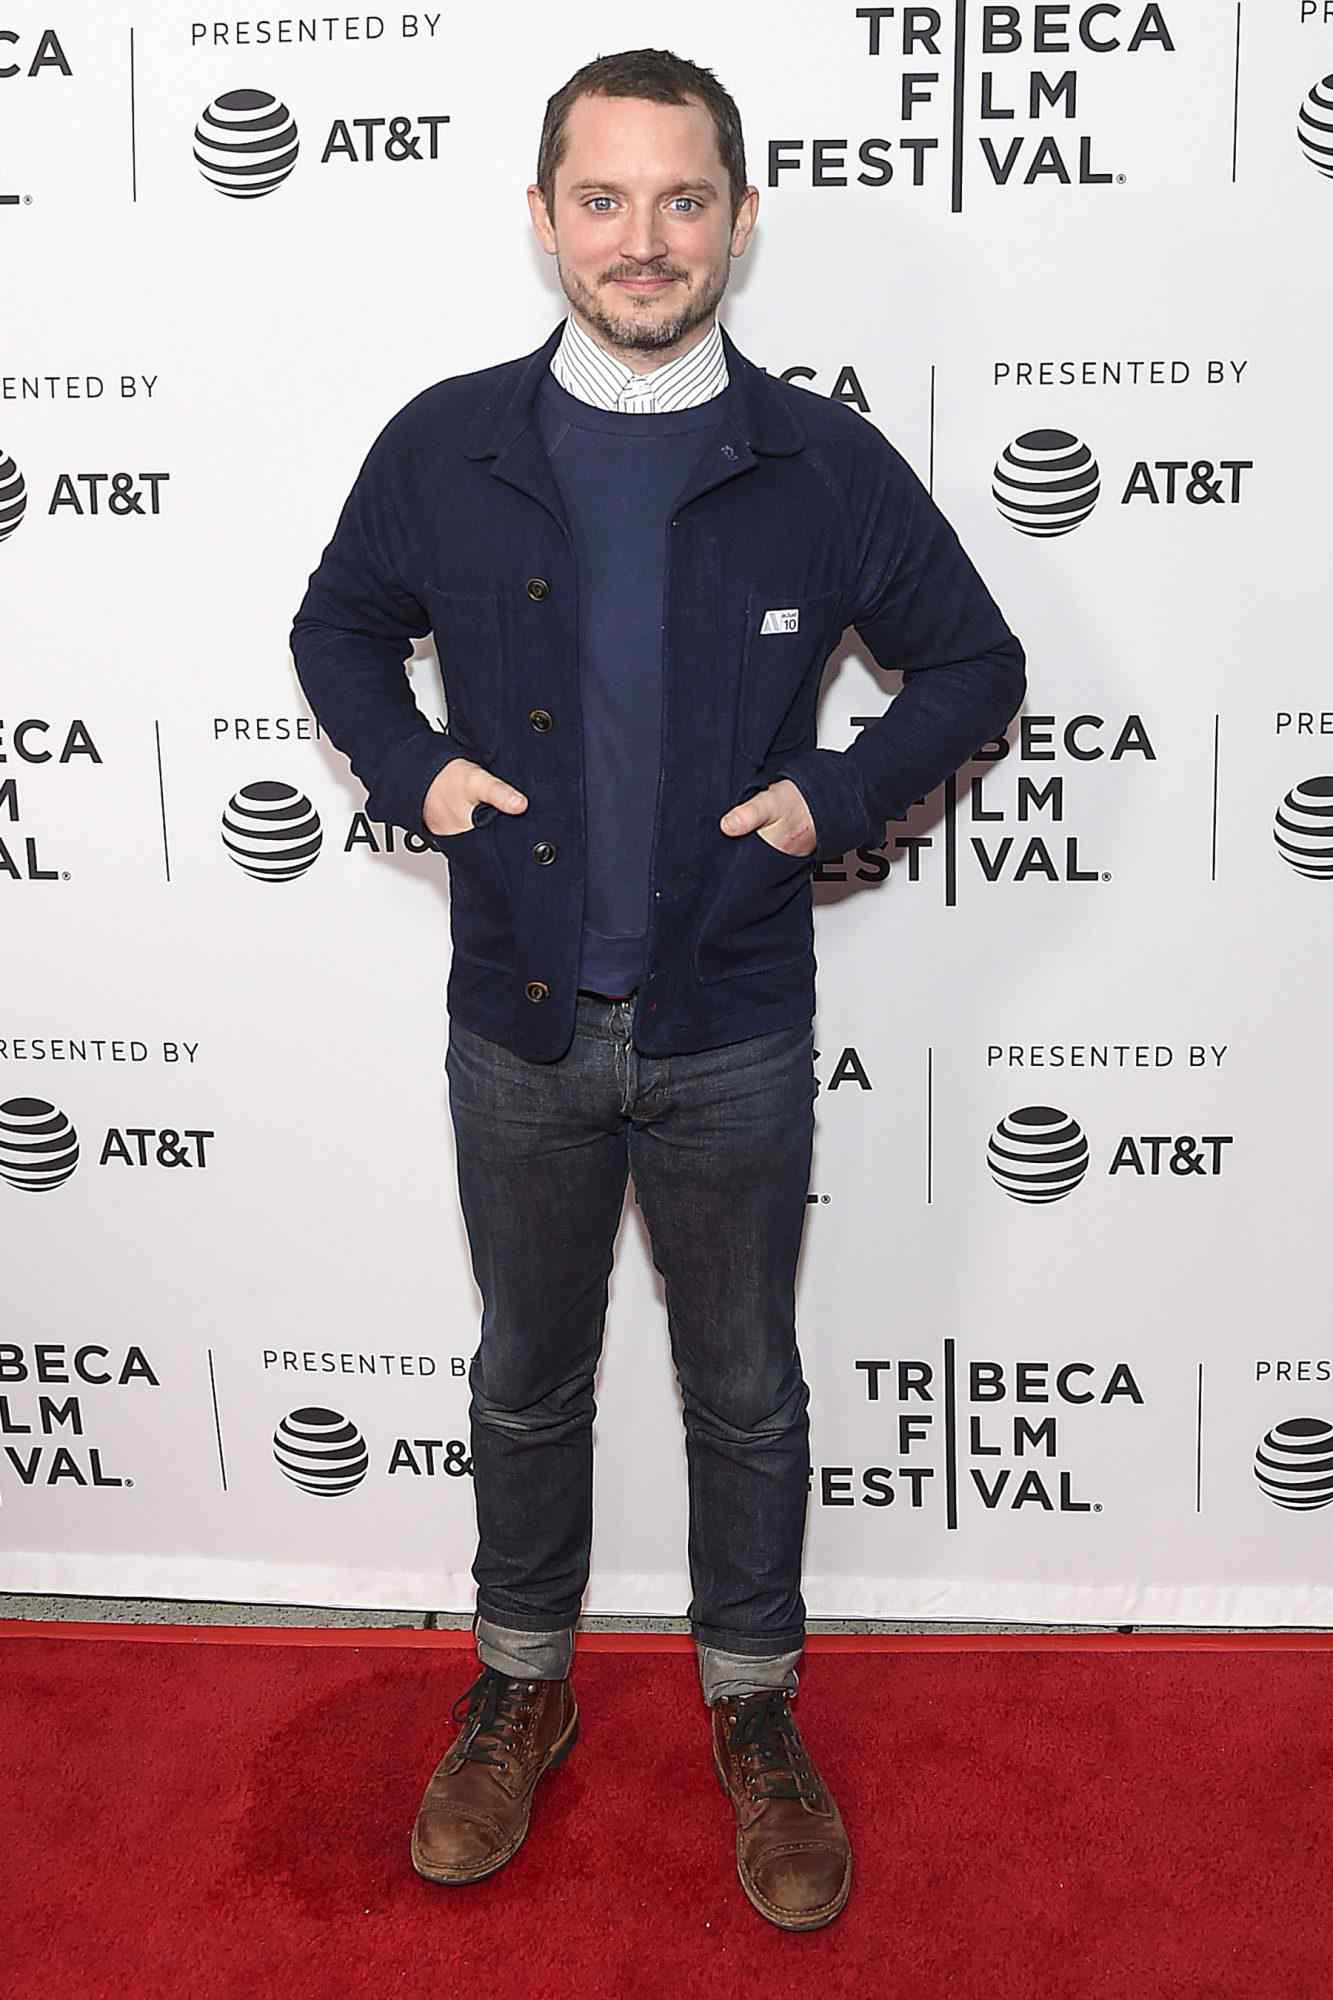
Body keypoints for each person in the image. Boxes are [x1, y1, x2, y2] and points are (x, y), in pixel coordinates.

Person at [289, 45, 1026, 1932]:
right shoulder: (446, 440)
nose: (643, 239)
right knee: (526, 1380)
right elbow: (337, 624)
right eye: (601, 200)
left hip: (731, 1026)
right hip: (515, 1022)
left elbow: (970, 663)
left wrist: (835, 798)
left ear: (740, 222)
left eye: (681, 200)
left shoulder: (815, 462)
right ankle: (521, 1685)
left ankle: (754, 1709)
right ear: (542, 220)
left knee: (746, 1390)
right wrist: (414, 767)